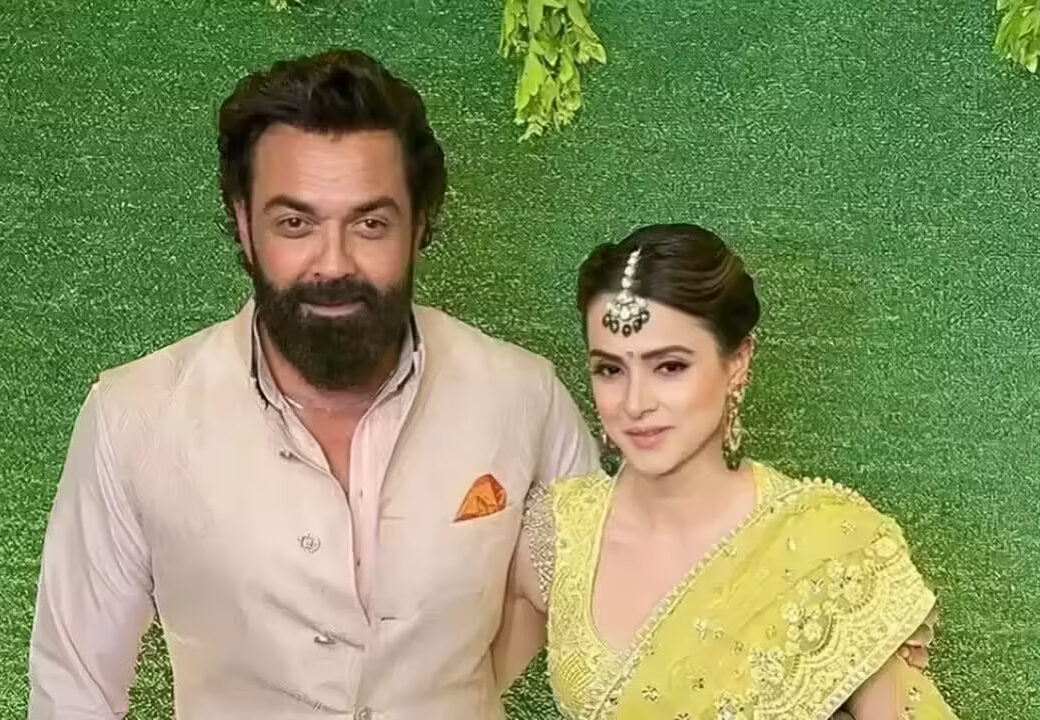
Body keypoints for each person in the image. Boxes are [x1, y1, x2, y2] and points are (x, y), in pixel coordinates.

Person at [27, 49, 598, 719]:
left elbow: (607, 620)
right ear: (244, 225)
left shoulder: (524, 397)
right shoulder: (134, 415)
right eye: (295, 223)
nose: (333, 263)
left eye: (370, 223)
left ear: (419, 225)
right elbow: (74, 689)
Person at [492, 224, 956, 719]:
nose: (634, 403)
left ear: (737, 362)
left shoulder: (828, 546)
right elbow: (459, 692)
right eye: (611, 370)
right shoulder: (558, 532)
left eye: (669, 367)